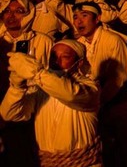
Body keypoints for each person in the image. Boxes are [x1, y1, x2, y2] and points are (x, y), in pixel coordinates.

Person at [1, 39, 102, 167]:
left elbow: (70, 94)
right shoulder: (40, 88)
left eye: (64, 57)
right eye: (53, 57)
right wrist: (17, 86)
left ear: (79, 63)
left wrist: (36, 72)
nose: (56, 62)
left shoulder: (91, 87)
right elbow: (9, 114)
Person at [73, 1, 127, 167]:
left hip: (122, 101)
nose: (79, 21)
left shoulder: (113, 40)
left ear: (97, 19)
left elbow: (119, 77)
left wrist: (98, 101)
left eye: (84, 16)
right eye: (75, 17)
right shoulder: (79, 44)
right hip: (99, 103)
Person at [0, 0, 54, 167]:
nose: (11, 16)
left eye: (18, 11)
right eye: (7, 11)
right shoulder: (1, 41)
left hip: (35, 108)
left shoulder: (42, 41)